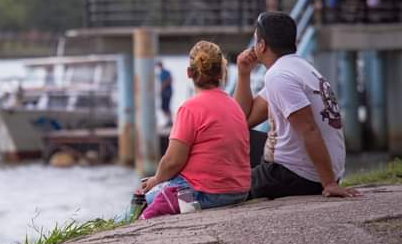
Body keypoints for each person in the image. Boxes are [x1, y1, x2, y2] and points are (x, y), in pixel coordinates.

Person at [234, 12, 361, 199]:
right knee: (240, 137)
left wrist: (329, 184)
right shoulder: (298, 67)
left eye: (255, 40)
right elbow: (242, 121)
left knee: (228, 187)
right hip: (308, 171)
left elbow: (309, 129)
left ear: (262, 45)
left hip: (296, 174)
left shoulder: (279, 76)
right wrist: (243, 74)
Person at [140, 41, 250, 211]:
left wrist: (155, 180)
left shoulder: (190, 108)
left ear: (189, 73)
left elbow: (172, 161)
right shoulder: (234, 105)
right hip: (239, 191)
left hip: (205, 192)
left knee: (141, 201)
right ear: (221, 72)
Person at [157, 60, 173, 127]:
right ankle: (169, 120)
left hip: (167, 92)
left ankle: (170, 121)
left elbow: (169, 80)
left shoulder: (165, 72)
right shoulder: (161, 73)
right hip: (165, 92)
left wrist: (162, 89)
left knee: (166, 106)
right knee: (164, 107)